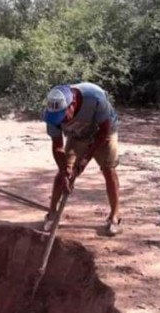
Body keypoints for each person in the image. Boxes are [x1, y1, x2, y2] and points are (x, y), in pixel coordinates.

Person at [42, 83, 121, 236]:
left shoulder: (95, 98)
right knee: (63, 173)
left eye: (63, 117)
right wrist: (66, 172)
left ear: (72, 104)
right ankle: (52, 214)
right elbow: (57, 146)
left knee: (108, 169)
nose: (61, 122)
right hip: (77, 134)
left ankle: (114, 217)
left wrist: (86, 158)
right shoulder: (51, 114)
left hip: (103, 133)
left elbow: (104, 130)